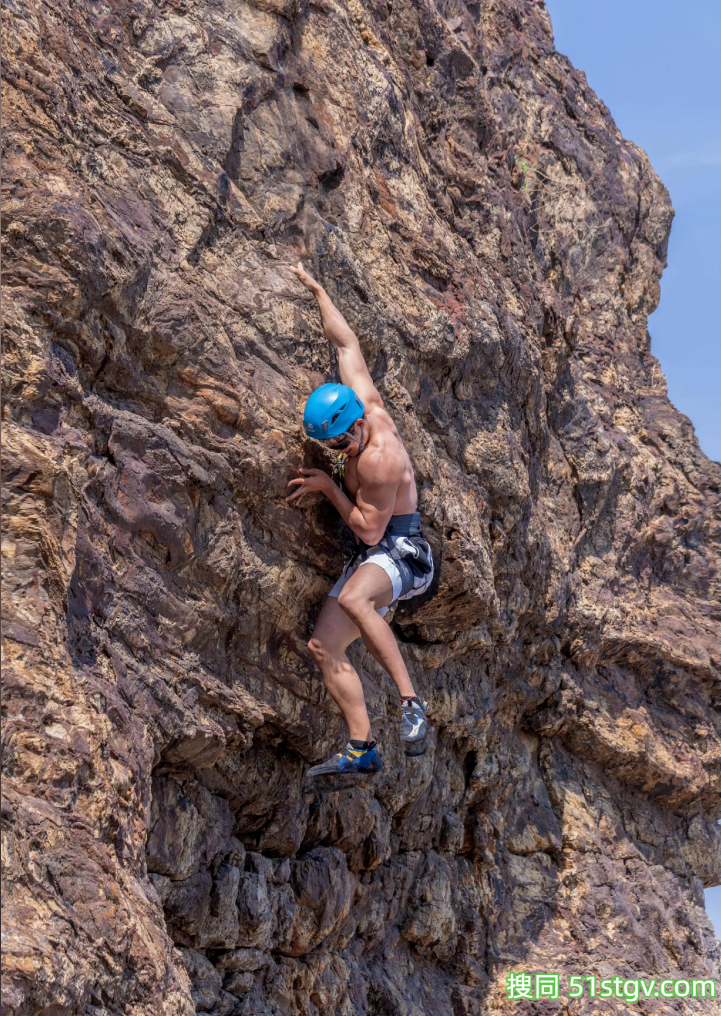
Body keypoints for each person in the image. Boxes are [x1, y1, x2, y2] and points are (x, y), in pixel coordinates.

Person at [287, 262, 434, 782]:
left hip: (404, 553)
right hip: (375, 553)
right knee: (323, 645)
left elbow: (371, 532)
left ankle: (412, 704)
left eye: (339, 442)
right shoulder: (360, 400)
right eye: (329, 446)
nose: (335, 451)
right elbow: (347, 346)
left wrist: (328, 486)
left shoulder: (379, 458)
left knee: (354, 598)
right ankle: (361, 746)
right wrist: (318, 288)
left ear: (355, 424)